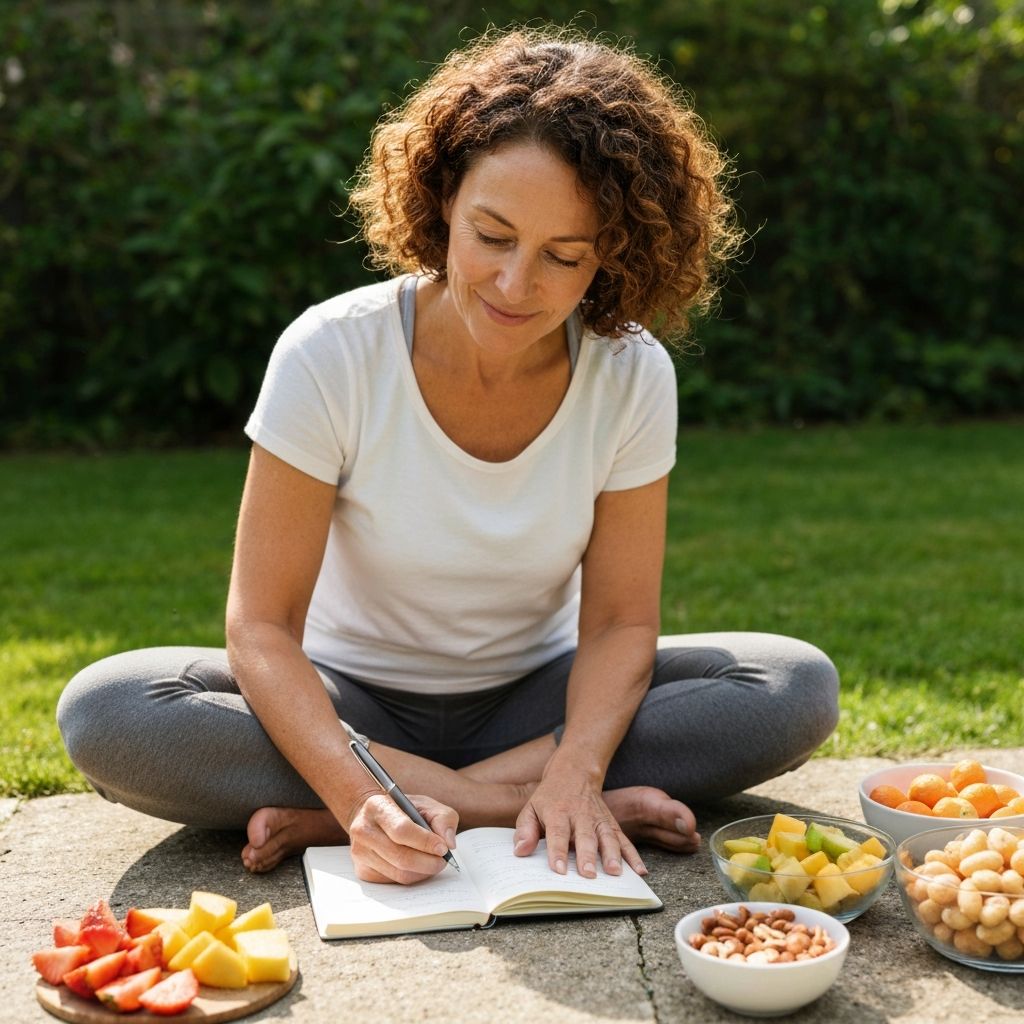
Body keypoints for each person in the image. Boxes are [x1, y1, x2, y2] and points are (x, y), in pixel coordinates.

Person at [57, 27, 839, 886]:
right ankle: (504, 804)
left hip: (536, 703)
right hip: (346, 701)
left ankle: (459, 794)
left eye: (562, 256)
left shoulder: (630, 372)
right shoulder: (332, 353)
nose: (515, 284)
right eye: (492, 235)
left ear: (613, 254)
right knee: (112, 711)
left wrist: (577, 760)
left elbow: (620, 623)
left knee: (790, 685)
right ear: (441, 202)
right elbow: (261, 628)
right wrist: (359, 789)